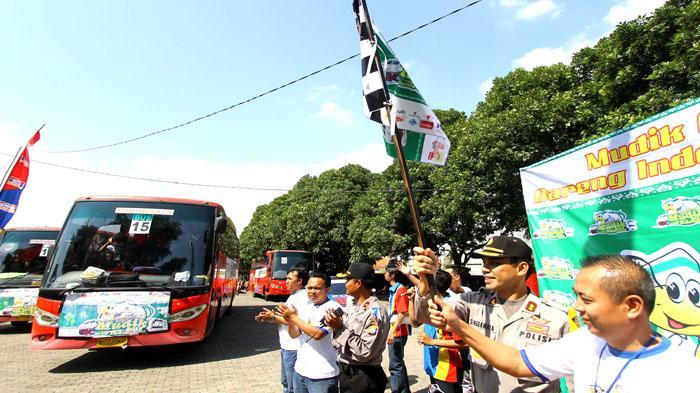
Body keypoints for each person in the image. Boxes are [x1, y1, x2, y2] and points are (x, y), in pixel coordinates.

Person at [423, 254, 700, 392]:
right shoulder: (584, 343)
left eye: (586, 300)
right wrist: (459, 327)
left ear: (632, 306)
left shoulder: (683, 375)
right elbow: (518, 362)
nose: (577, 307)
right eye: (575, 297)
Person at [414, 236, 570, 393]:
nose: (484, 269)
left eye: (494, 263)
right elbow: (424, 316)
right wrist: (426, 280)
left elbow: (576, 382)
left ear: (521, 268)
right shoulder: (472, 303)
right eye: (484, 263)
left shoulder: (556, 319)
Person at [325, 263, 390, 393]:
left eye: (348, 280)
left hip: (363, 377)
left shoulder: (374, 312)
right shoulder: (354, 305)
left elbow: (365, 352)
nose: (345, 283)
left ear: (358, 283)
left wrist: (340, 328)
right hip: (348, 372)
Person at [277, 272, 341, 393]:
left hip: (322, 375)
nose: (312, 291)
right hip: (300, 371)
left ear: (327, 290)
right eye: (309, 288)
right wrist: (291, 321)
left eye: (317, 288)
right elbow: (294, 334)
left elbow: (318, 334)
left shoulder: (334, 308)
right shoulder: (307, 308)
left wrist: (293, 318)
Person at [255, 267, 310, 393]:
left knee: (291, 386)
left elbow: (296, 321)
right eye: (286, 278)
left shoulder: (301, 297)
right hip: (286, 346)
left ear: (300, 281)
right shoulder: (293, 296)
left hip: (294, 347)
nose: (286, 281)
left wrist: (273, 316)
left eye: (290, 278)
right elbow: (285, 319)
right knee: (286, 383)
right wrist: (269, 318)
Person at [415, 269, 468, 393]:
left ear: (431, 286)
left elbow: (463, 343)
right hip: (433, 363)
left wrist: (432, 341)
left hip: (447, 367)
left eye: (424, 281)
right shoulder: (431, 304)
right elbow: (414, 321)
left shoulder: (450, 307)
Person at [384, 261, 411, 393]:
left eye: (386, 272)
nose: (384, 275)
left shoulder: (400, 290)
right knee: (398, 362)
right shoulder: (394, 290)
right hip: (396, 330)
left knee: (395, 365)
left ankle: (399, 390)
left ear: (392, 274)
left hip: (398, 331)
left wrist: (392, 332)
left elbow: (402, 313)